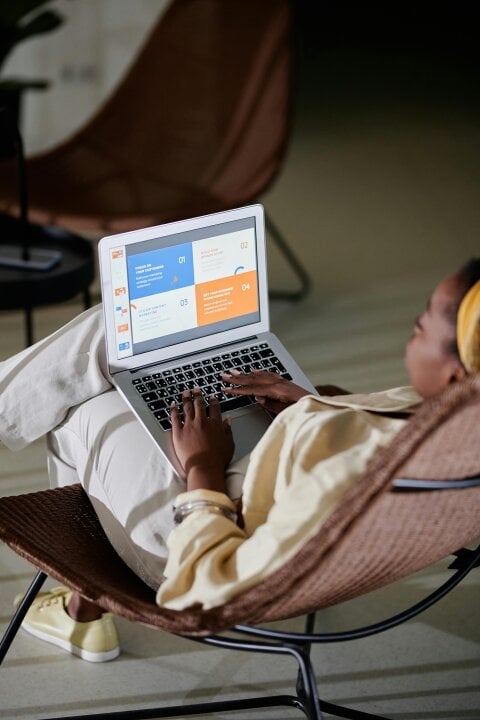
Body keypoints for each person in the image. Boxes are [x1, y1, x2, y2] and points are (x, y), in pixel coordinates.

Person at [1, 258, 479, 662]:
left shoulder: (351, 475)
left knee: (85, 398)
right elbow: (376, 427)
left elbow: (209, 589)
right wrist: (310, 408)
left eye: (421, 325)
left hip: (193, 536)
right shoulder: (459, 429)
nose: (411, 331)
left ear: (458, 373)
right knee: (119, 341)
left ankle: (82, 615)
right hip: (262, 480)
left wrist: (202, 466)